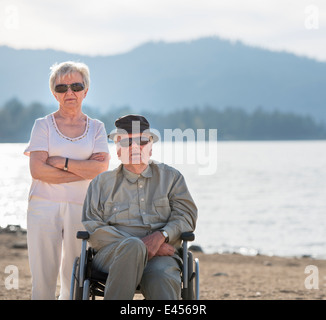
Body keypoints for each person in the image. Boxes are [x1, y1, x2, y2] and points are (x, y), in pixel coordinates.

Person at [82, 114, 197, 300]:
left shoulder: (172, 178)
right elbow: (93, 227)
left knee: (162, 276)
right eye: (127, 143)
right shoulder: (101, 183)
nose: (135, 147)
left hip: (161, 256)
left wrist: (161, 236)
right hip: (112, 254)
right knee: (133, 246)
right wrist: (143, 247)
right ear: (118, 150)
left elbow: (186, 216)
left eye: (142, 141)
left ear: (151, 147)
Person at [24, 61, 110, 300]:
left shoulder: (97, 128)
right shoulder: (42, 126)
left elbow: (101, 169)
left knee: (75, 275)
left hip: (81, 208)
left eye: (76, 86)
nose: (69, 92)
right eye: (62, 88)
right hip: (43, 206)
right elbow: (38, 171)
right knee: (43, 274)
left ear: (86, 90)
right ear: (54, 93)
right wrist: (83, 170)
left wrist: (62, 162)